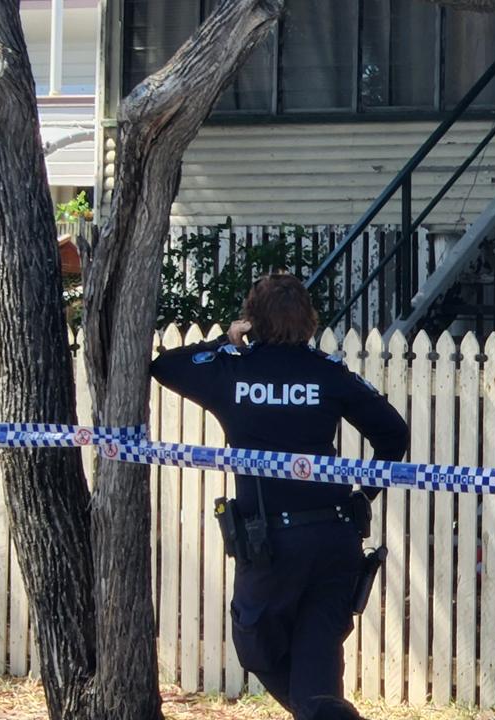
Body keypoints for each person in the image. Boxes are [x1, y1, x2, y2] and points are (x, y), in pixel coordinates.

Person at [150, 273, 409, 720]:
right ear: (309, 321)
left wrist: (226, 341)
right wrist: (364, 494)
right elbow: (394, 434)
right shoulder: (327, 374)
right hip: (334, 539)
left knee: (257, 648)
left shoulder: (232, 371)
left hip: (271, 547)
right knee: (318, 674)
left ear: (252, 320)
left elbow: (164, 366)